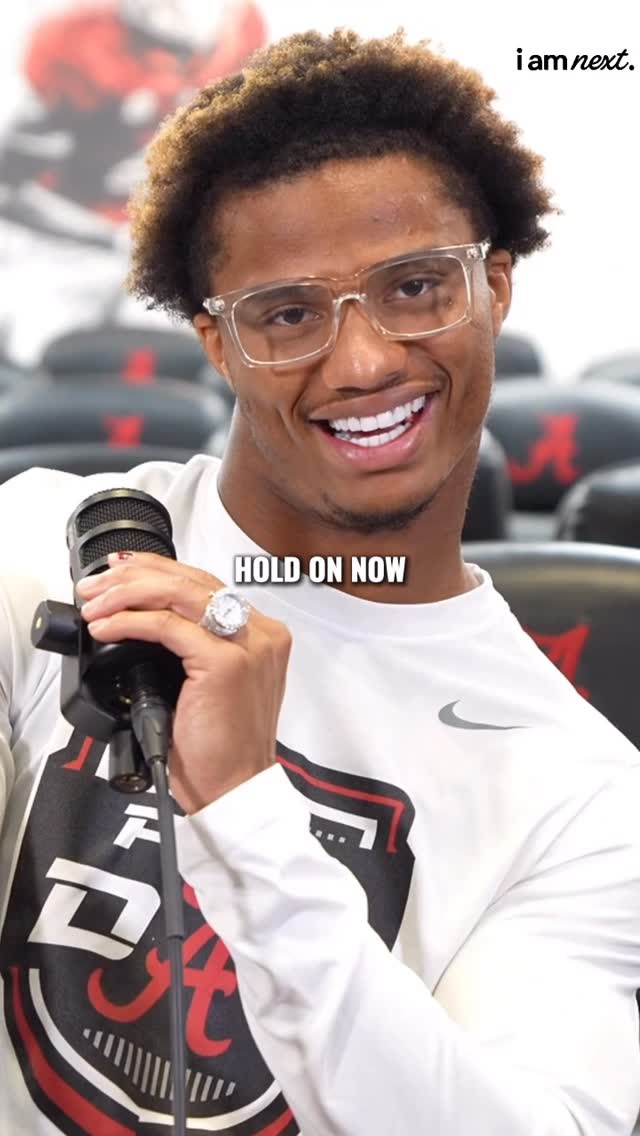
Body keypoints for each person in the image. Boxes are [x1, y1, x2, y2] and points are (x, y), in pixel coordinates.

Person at [1, 26, 639, 1136]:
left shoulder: (581, 789)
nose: (364, 362)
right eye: (289, 313)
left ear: (493, 285)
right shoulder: (41, 543)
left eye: (415, 287)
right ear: (218, 342)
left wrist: (246, 817)